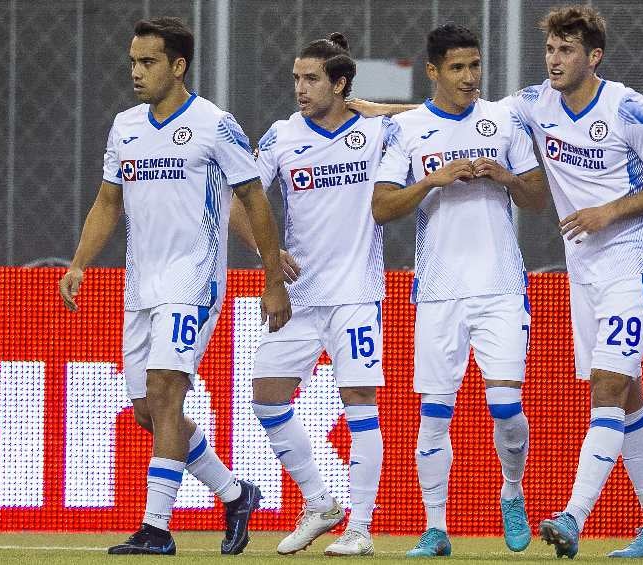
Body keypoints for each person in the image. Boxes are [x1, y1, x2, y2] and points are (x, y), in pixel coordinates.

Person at [58, 17, 291, 556]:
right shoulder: (126, 126)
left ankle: (157, 528)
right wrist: (77, 264)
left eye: (148, 62)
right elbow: (107, 201)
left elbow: (254, 198)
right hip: (141, 286)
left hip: (193, 280)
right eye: (133, 62)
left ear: (178, 65)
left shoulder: (216, 124)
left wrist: (271, 278)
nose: (136, 73)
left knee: (166, 391)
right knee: (147, 410)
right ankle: (235, 494)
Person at [497, 5, 643, 559]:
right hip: (583, 267)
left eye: (566, 51)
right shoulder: (537, 103)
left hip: (633, 261)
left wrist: (611, 211)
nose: (554, 60)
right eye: (551, 49)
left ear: (594, 57)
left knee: (607, 389)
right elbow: (461, 115)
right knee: (625, 393)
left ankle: (572, 516)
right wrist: (379, 110)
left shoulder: (626, 106)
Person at [373, 24, 547, 558]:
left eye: (475, 66)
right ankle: (436, 527)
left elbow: (538, 198)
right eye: (457, 68)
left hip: (500, 286)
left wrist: (506, 179)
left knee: (507, 408)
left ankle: (512, 492)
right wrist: (432, 181)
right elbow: (382, 207)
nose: (470, 78)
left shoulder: (503, 121)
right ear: (432, 71)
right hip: (440, 290)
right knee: (434, 413)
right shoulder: (407, 130)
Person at [248, 33, 389, 557]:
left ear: (341, 84)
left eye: (311, 80)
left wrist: (378, 108)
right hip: (300, 296)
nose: (300, 89)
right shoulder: (283, 136)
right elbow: (244, 199)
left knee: (359, 403)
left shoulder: (375, 131)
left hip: (355, 294)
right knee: (266, 396)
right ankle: (320, 502)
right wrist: (270, 264)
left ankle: (361, 527)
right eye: (296, 79)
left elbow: (440, 116)